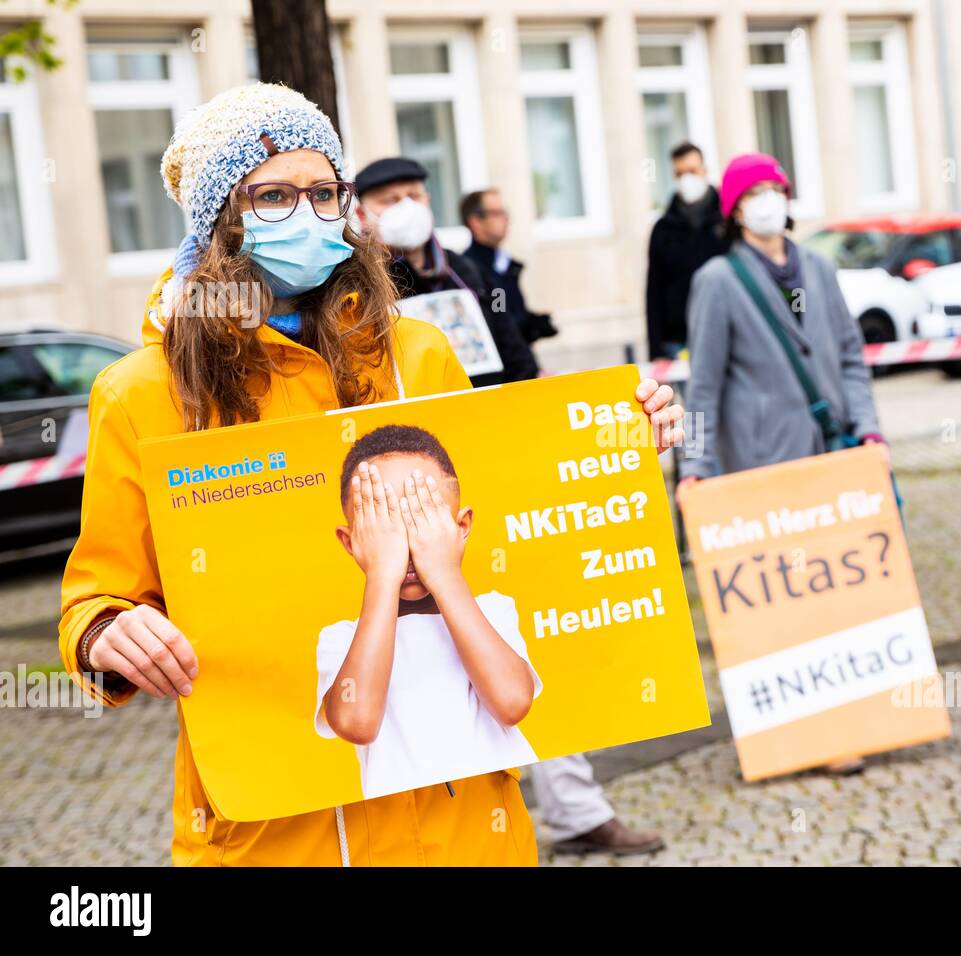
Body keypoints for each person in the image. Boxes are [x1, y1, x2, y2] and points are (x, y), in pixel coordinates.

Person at [57, 82, 685, 866]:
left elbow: (504, 524)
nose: (308, 214)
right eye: (273, 196)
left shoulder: (419, 353)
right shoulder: (142, 394)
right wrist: (109, 635)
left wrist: (613, 452)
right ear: (220, 222)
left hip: (460, 823)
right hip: (280, 830)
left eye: (324, 193)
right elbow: (97, 595)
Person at [676, 152, 887, 775]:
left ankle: (847, 717)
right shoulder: (718, 279)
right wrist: (696, 464)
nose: (770, 200)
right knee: (782, 604)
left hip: (834, 458)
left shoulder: (818, 268)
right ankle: (799, 734)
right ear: (736, 210)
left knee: (836, 593)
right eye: (757, 192)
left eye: (777, 188)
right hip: (762, 468)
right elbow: (703, 386)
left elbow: (850, 355)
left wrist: (869, 428)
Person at [316, 425, 541, 798]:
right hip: (398, 839)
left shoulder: (490, 611)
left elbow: (512, 702)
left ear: (461, 527)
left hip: (491, 830)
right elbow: (356, 722)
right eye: (384, 529)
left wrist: (445, 572)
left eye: (420, 521)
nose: (405, 545)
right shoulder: (342, 639)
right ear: (351, 542)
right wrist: (382, 575)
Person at [353, 157, 537, 387]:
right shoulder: (354, 283)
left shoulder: (467, 270)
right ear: (362, 215)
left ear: (428, 202)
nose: (406, 207)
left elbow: (510, 341)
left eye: (414, 196)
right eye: (390, 200)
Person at [645, 142, 729, 360]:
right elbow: (654, 292)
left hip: (726, 333)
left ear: (704, 170)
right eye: (679, 173)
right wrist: (656, 350)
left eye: (692, 171)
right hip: (678, 341)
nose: (687, 179)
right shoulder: (663, 229)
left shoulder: (727, 222)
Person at [460, 188, 558, 350]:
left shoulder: (503, 263)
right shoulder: (471, 269)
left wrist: (534, 322)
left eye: (505, 212)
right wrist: (529, 327)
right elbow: (499, 320)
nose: (506, 218)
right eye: (497, 213)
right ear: (476, 222)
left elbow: (508, 308)